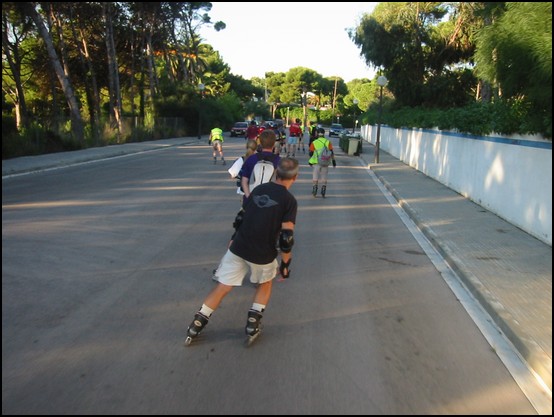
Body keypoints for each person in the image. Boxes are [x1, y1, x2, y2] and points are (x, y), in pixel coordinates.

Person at [185, 157, 299, 344]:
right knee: (265, 283)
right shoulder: (289, 201)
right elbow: (286, 238)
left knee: (223, 286)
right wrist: (286, 263)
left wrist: (233, 238)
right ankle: (252, 324)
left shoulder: (259, 189)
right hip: (263, 253)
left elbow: (241, 217)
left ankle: (196, 323)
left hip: (239, 246)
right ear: (295, 178)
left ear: (276, 173)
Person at [240, 129, 280, 203]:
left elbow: (244, 181)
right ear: (274, 143)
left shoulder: (251, 159)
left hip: (252, 201)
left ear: (260, 143)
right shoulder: (279, 161)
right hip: (270, 202)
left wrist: (249, 198)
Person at [308, 127, 336, 198]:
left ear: (317, 133)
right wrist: (333, 161)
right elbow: (331, 152)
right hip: (325, 162)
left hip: (316, 162)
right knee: (324, 177)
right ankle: (323, 191)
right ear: (324, 134)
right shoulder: (328, 142)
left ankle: (314, 190)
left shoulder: (314, 142)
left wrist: (310, 162)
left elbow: (310, 153)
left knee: (315, 176)